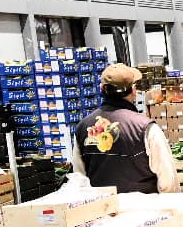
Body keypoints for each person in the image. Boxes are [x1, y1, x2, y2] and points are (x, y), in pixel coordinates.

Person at [73, 63, 177, 194]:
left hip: (103, 209)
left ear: (101, 89)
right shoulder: (146, 128)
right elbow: (167, 182)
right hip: (146, 210)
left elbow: (79, 179)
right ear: (133, 90)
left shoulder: (82, 127)